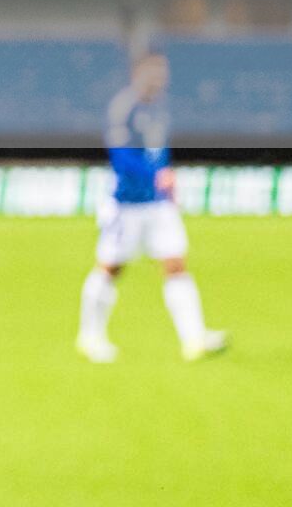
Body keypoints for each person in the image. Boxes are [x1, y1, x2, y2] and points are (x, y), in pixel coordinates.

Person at [77, 50, 226, 363]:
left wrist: (167, 180)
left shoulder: (159, 107)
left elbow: (160, 152)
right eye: (155, 73)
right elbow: (121, 157)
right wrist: (157, 176)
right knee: (110, 267)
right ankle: (89, 337)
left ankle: (194, 339)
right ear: (138, 74)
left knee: (175, 264)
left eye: (163, 73)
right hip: (126, 204)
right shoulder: (124, 107)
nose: (160, 79)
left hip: (157, 206)